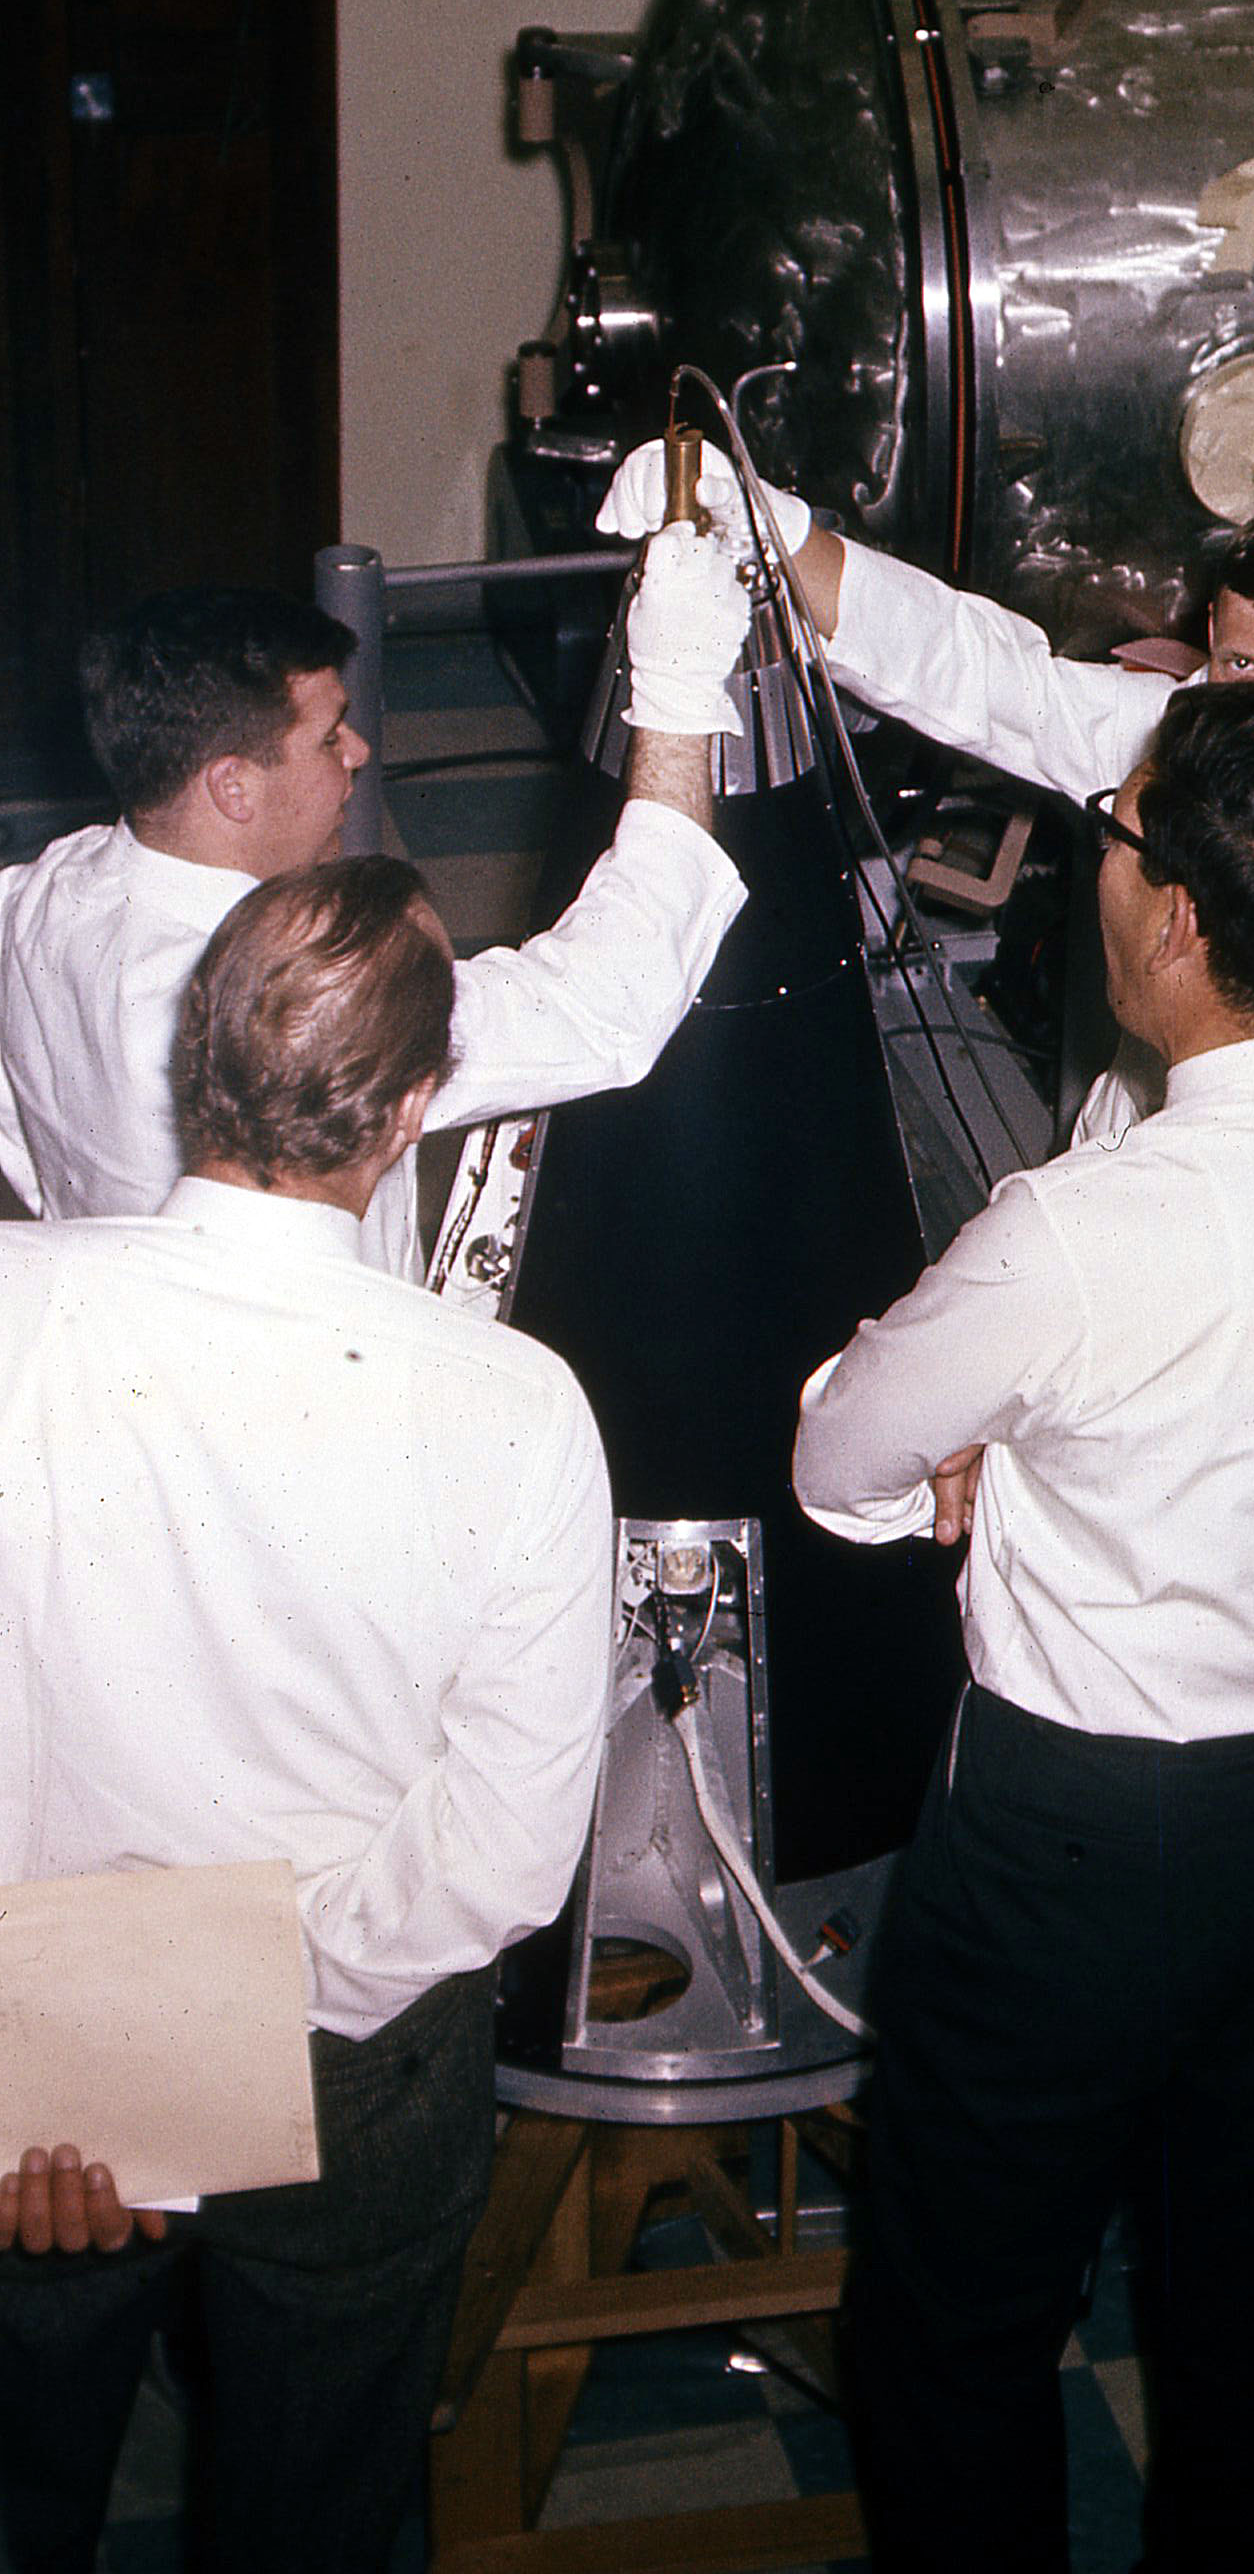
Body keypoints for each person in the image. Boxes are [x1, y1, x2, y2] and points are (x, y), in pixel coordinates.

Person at [795, 683, 1254, 2572]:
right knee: (1251, 2276)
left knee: (958, 2307)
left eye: (1113, 834)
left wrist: (943, 1469)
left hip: (1083, 1834)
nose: (1095, 864)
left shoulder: (1077, 1226)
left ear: (1183, 920)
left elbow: (840, 1457)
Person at [0, 856, 617, 2574]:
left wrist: (95, 2060)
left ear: (195, 1050)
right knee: (319, 2513)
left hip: (31, 2059)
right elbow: (497, 1862)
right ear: (416, 1105)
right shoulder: (512, 1402)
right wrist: (218, 2036)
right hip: (356, 2058)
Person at [598, 446, 1254, 1174]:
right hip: (1124, 1182)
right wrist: (775, 527)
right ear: (1208, 637)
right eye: (1242, 666)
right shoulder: (1182, 738)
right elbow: (984, 672)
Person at [0, 520, 751, 1273]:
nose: (359, 752)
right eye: (329, 736)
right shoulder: (303, 997)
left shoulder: (39, 893)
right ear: (232, 786)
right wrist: (679, 691)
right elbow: (605, 1000)